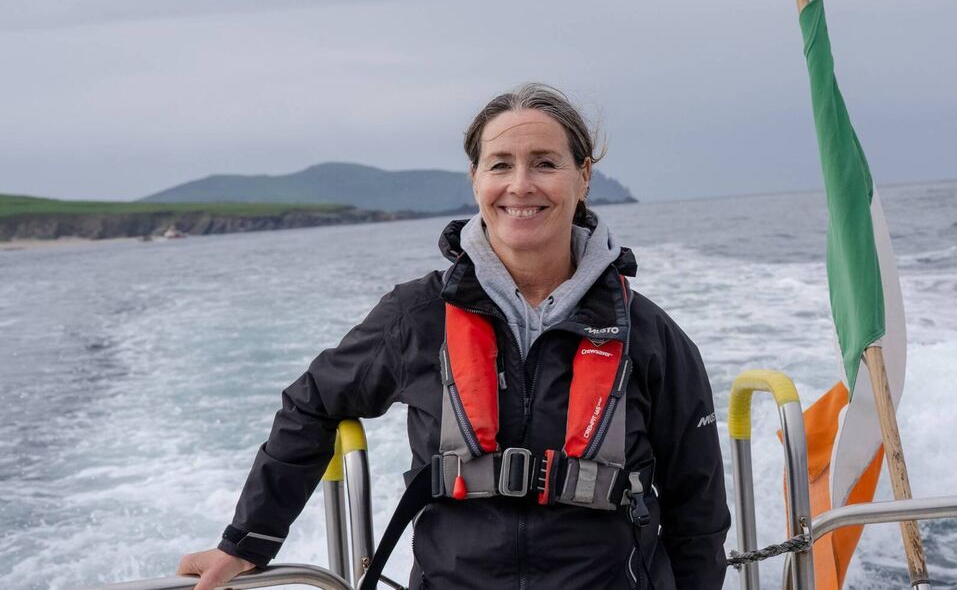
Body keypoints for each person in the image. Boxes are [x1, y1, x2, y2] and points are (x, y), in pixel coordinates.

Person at [178, 83, 730, 590]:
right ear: (475, 179)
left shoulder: (650, 335)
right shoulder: (417, 316)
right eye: (500, 165)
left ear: (583, 177)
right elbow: (312, 403)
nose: (520, 185)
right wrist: (249, 540)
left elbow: (697, 506)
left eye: (545, 163)